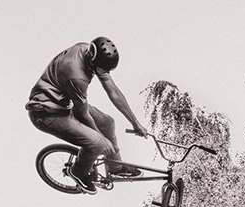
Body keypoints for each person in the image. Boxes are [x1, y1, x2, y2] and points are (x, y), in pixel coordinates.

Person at [26, 36, 151, 195]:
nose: (105, 74)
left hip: (64, 104)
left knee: (108, 123)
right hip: (46, 114)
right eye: (103, 70)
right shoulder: (75, 74)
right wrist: (102, 140)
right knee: (97, 143)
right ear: (93, 61)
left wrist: (135, 122)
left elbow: (113, 92)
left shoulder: (89, 51)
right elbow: (82, 114)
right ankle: (77, 172)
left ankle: (115, 167)